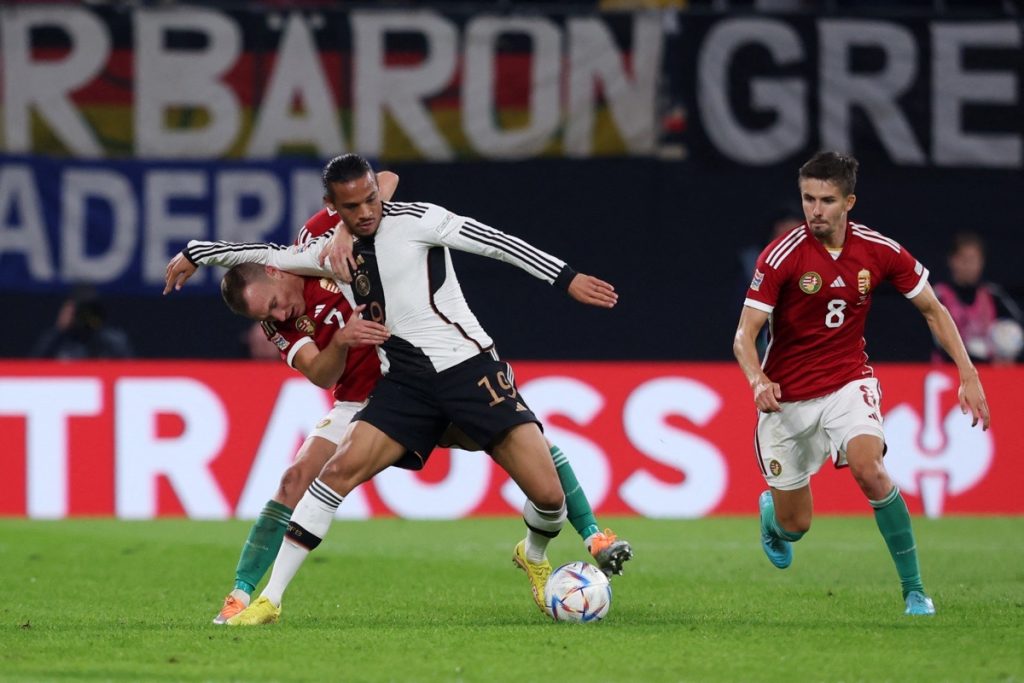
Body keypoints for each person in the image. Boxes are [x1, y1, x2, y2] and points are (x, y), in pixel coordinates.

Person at [164, 160, 630, 625]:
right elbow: (264, 266)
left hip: (465, 370)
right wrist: (195, 253)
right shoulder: (319, 260)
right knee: (325, 474)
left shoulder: (404, 221)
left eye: (369, 201)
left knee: (546, 486)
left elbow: (486, 238)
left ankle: (553, 544)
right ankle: (262, 598)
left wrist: (565, 277)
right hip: (396, 386)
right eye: (352, 208)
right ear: (334, 209)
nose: (365, 212)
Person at [732, 151, 991, 617]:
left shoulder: (880, 251)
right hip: (786, 400)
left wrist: (967, 373)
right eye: (808, 198)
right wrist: (757, 380)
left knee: (870, 470)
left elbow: (933, 309)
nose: (815, 210)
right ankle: (774, 515)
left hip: (848, 382)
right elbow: (744, 334)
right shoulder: (782, 256)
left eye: (827, 200)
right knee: (797, 527)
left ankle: (914, 591)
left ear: (849, 201)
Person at [932, 232, 1023, 364]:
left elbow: (1017, 326)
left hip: (990, 375)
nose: (969, 266)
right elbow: (938, 342)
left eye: (974, 260)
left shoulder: (993, 295)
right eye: (964, 260)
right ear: (952, 260)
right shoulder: (938, 296)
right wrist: (982, 360)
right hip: (951, 373)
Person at [32, 287, 134, 359]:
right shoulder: (59, 340)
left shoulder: (113, 340)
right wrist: (58, 330)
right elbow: (33, 370)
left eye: (89, 311)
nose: (85, 316)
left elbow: (132, 373)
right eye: (80, 311)